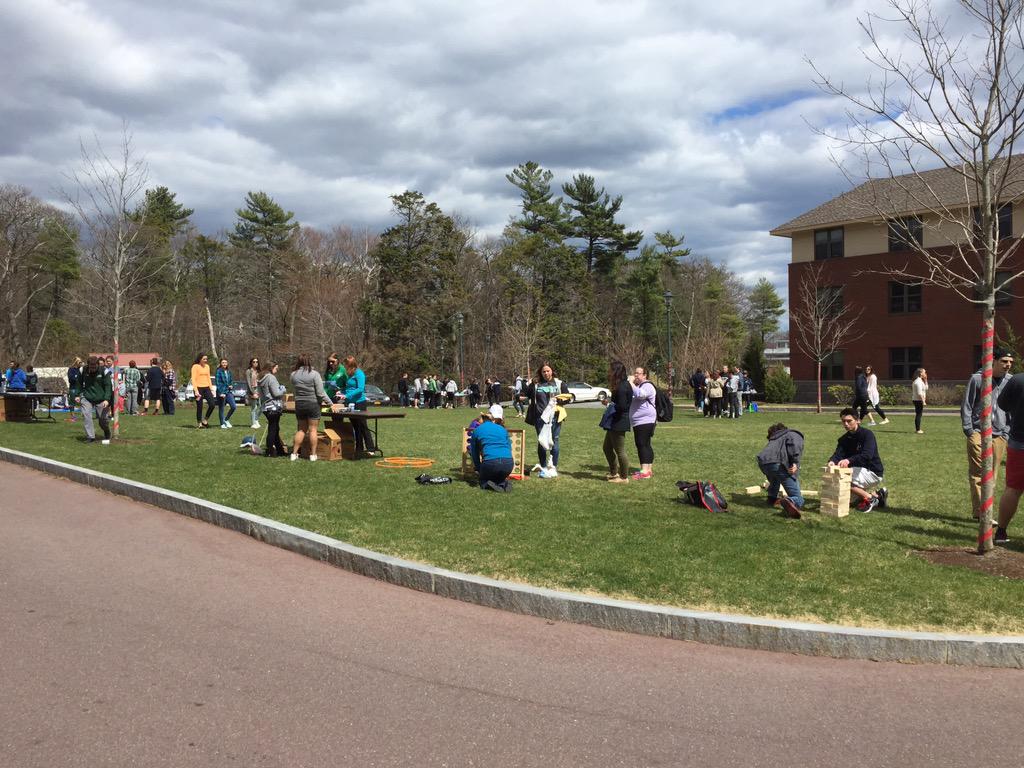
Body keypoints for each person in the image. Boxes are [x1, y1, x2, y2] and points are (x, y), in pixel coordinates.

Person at [962, 348, 1014, 522]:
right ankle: (980, 512)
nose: (1008, 365)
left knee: (992, 475)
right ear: (994, 361)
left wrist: (1006, 432)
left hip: (999, 434)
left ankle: (986, 512)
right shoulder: (978, 378)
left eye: (1010, 362)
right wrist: (969, 430)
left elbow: (1012, 409)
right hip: (978, 432)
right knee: (977, 473)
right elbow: (967, 406)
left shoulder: (1010, 381)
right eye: (1004, 361)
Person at [828, 408, 888, 512]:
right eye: (843, 421)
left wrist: (848, 461)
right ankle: (879, 495)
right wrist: (832, 461)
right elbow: (838, 455)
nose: (846, 424)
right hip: (857, 471)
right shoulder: (844, 439)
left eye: (849, 421)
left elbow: (867, 455)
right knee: (849, 501)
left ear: (858, 420)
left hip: (872, 471)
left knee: (842, 479)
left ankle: (870, 499)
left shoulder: (867, 435)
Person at [522, 362, 570, 475]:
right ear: (541, 372)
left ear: (552, 371)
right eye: (544, 371)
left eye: (548, 371)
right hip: (540, 418)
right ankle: (543, 466)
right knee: (542, 441)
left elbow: (568, 397)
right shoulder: (535, 384)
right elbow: (526, 394)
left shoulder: (559, 383)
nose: (546, 373)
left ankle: (553, 466)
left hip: (556, 417)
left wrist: (560, 401)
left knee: (555, 440)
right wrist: (519, 396)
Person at [290, 354, 336, 462]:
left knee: (301, 430)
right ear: (309, 362)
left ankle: (294, 454)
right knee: (313, 430)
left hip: (299, 404)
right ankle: (313, 455)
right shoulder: (314, 374)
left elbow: (294, 391)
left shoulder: (293, 375)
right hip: (313, 404)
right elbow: (320, 393)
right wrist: (330, 403)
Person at [757, 423, 805, 519]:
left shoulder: (775, 438)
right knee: (799, 498)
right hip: (777, 463)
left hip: (763, 463)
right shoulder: (793, 434)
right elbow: (795, 446)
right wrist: (795, 462)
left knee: (775, 479)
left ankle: (772, 498)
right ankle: (791, 501)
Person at [469, 404, 515, 492]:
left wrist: (479, 468)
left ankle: (487, 483)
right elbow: (509, 447)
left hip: (490, 463)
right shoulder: (503, 429)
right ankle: (503, 483)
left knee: (483, 480)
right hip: (508, 464)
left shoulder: (477, 430)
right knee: (499, 476)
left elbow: (474, 453)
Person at [601, 360, 634, 483]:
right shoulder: (621, 385)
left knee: (620, 451)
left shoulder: (622, 387)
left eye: (610, 369)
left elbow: (623, 407)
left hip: (619, 421)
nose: (609, 372)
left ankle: (624, 477)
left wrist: (609, 403)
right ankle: (614, 472)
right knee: (607, 448)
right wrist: (609, 401)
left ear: (616, 371)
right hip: (615, 421)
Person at [340, 355, 377, 454]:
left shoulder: (359, 373)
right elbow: (348, 388)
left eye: (346, 364)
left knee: (363, 425)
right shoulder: (348, 375)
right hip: (350, 403)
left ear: (350, 364)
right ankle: (359, 448)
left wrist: (347, 395)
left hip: (359, 403)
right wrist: (341, 393)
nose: (344, 366)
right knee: (355, 426)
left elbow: (360, 389)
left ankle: (371, 448)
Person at [76, 355, 112, 444]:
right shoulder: (82, 370)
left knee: (102, 420)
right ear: (88, 365)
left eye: (94, 367)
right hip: (87, 397)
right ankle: (90, 437)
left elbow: (108, 386)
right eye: (91, 367)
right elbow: (78, 383)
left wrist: (107, 399)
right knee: (86, 415)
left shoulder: (104, 371)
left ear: (98, 365)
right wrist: (77, 394)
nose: (92, 369)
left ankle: (106, 431)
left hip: (101, 398)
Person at [629, 366, 657, 480]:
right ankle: (648, 469)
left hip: (645, 420)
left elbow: (640, 395)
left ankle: (644, 471)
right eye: (635, 373)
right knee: (645, 444)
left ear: (645, 375)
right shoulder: (639, 386)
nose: (636, 375)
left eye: (638, 373)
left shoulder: (648, 385)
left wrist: (631, 383)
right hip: (640, 421)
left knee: (641, 444)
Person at [258, 361, 288, 458]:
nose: (277, 369)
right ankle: (270, 450)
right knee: (273, 429)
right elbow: (276, 393)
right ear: (271, 368)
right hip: (273, 406)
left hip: (266, 407)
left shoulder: (262, 378)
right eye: (276, 368)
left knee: (275, 428)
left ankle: (279, 450)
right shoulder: (271, 377)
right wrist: (282, 389)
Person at [191, 353, 215, 428]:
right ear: (200, 359)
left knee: (212, 404)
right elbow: (193, 379)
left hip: (206, 387)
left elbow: (208, 378)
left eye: (206, 359)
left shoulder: (207, 366)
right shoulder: (195, 367)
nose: (205, 360)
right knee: (200, 406)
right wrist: (196, 390)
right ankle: (199, 423)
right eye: (204, 359)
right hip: (198, 388)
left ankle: (205, 420)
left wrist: (211, 389)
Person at [215, 358, 237, 428]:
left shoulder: (228, 372)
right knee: (221, 408)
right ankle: (222, 424)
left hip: (228, 392)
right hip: (221, 392)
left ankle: (226, 419)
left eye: (225, 362)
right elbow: (218, 383)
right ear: (221, 363)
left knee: (233, 407)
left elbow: (231, 381)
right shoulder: (218, 371)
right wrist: (221, 393)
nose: (224, 364)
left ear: (227, 364)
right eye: (223, 362)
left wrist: (232, 385)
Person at [245, 357, 261, 428]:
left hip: (259, 389)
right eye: (254, 362)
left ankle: (256, 419)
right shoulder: (248, 371)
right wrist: (253, 393)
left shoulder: (259, 371)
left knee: (261, 406)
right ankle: (253, 423)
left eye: (256, 362)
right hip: (252, 389)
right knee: (254, 407)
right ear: (251, 363)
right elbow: (248, 383)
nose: (255, 363)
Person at [912, 367, 928, 434]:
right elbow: (919, 393)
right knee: (918, 414)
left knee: (919, 414)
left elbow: (926, 388)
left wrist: (926, 380)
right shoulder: (918, 382)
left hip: (919, 400)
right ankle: (918, 430)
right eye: (924, 372)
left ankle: (918, 429)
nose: (925, 373)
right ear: (921, 373)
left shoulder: (921, 380)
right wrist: (923, 401)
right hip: (918, 400)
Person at [67, 357, 83, 422]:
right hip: (73, 388)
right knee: (72, 402)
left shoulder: (81, 369)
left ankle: (84, 415)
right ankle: (73, 416)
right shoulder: (71, 369)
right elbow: (71, 379)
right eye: (79, 362)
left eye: (81, 361)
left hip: (81, 388)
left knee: (84, 402)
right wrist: (77, 377)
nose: (80, 363)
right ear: (75, 362)